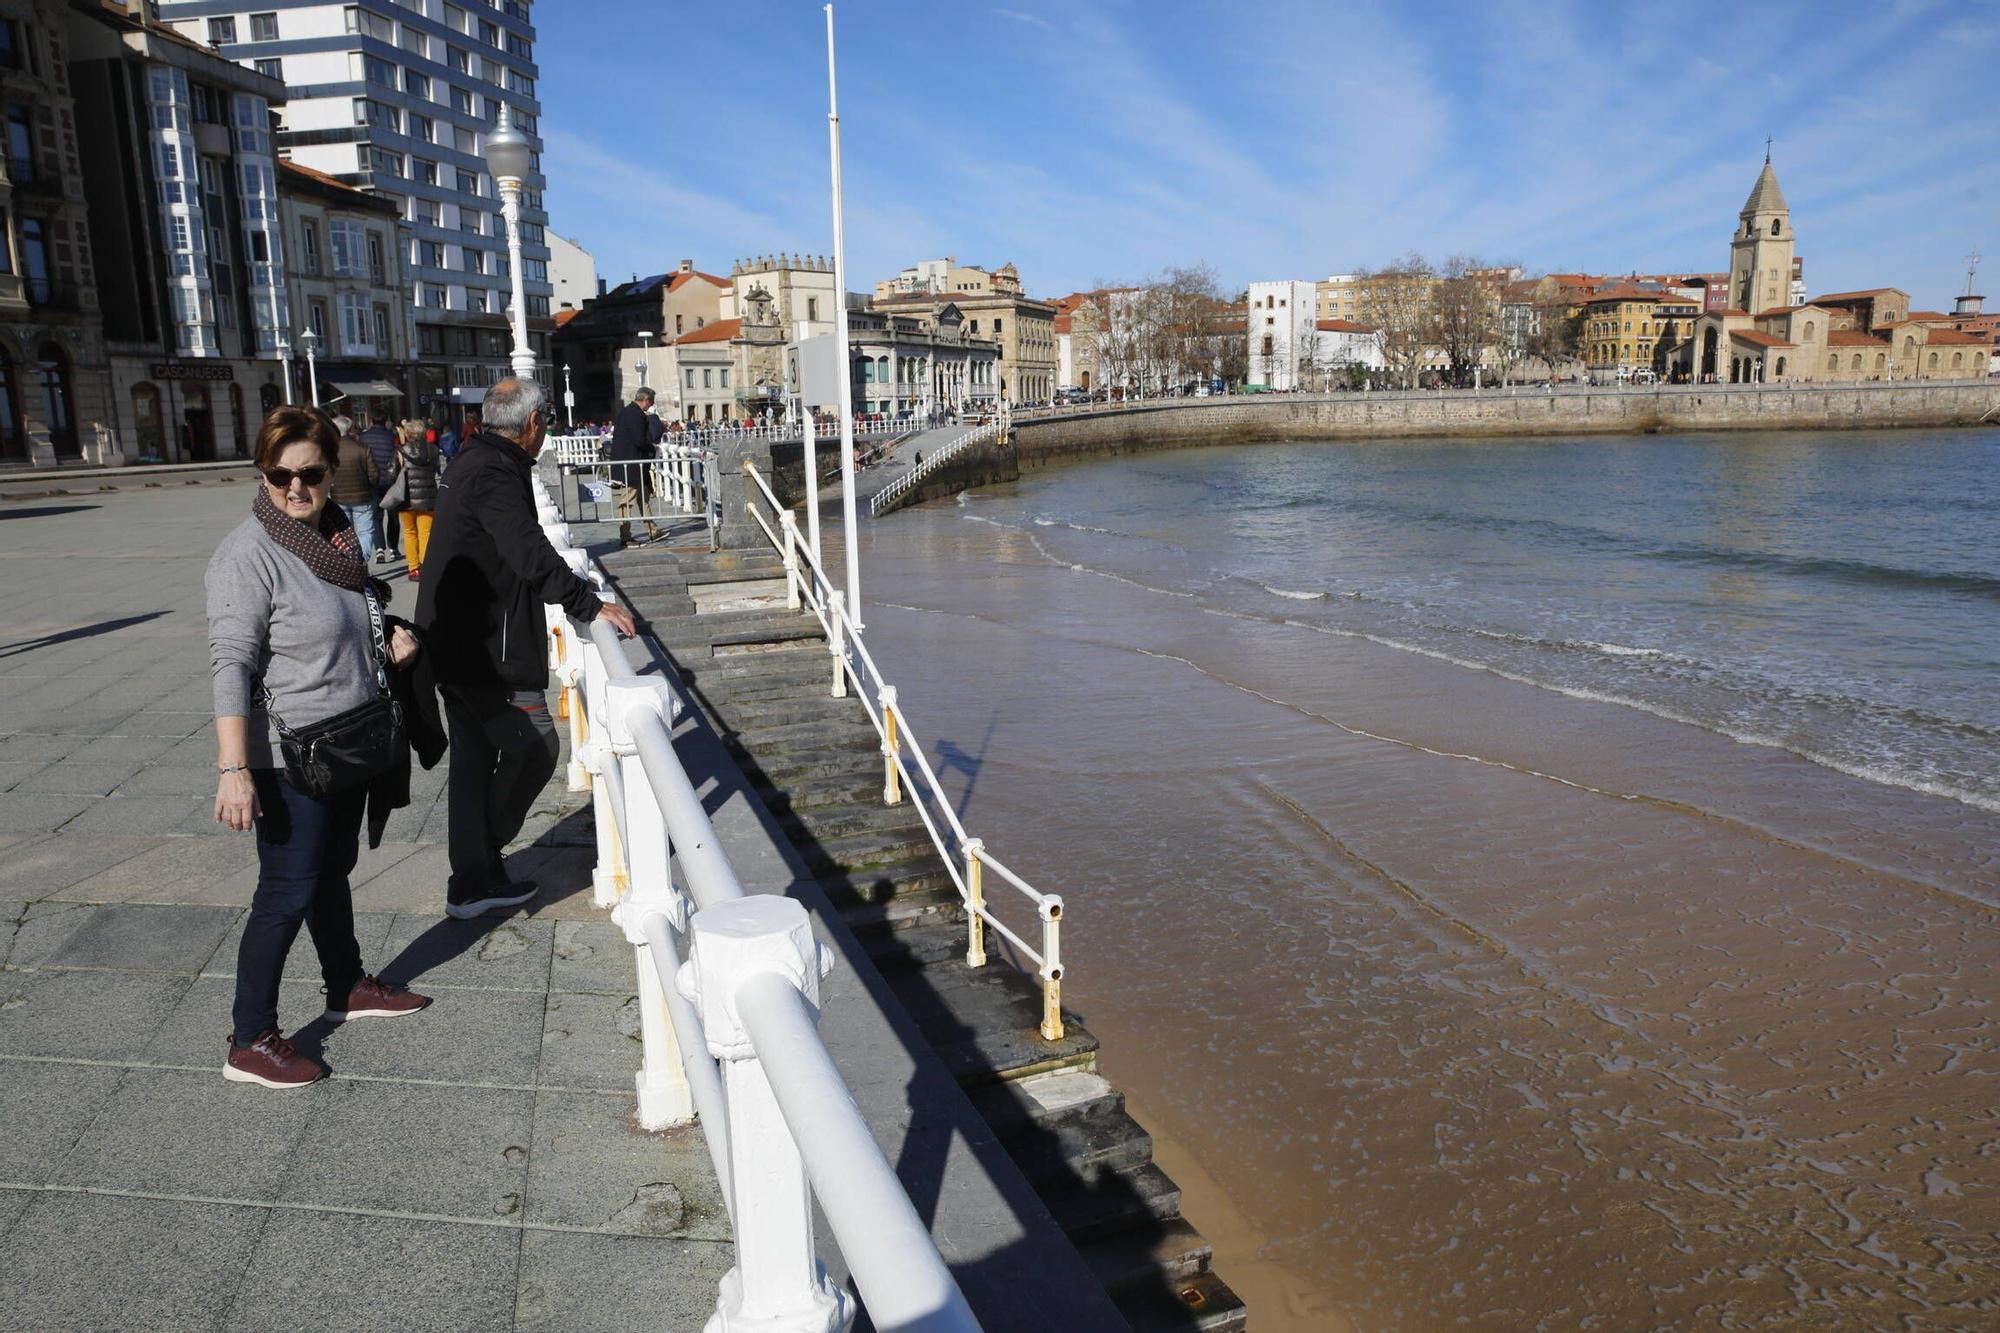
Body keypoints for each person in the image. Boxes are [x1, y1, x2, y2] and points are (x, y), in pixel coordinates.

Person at [207, 406, 431, 1089]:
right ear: (263, 474)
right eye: (279, 475)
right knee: (286, 891)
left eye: (309, 473)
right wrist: (233, 769)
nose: (295, 487)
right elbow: (231, 663)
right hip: (289, 755)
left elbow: (338, 619)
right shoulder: (248, 555)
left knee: (331, 870)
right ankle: (250, 1038)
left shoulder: (336, 538)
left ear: (333, 472)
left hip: (346, 744)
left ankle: (346, 985)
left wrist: (386, 635)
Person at [417, 378, 637, 918]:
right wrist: (588, 605)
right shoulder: (494, 471)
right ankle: (478, 863)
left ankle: (473, 879)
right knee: (537, 747)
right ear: (534, 423)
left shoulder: (475, 458)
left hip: (455, 640)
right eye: (547, 425)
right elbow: (526, 549)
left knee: (473, 760)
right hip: (485, 649)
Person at [607, 386, 660, 545]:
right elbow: (639, 439)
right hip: (631, 465)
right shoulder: (634, 413)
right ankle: (625, 536)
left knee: (642, 498)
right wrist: (651, 448)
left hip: (631, 464)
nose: (651, 406)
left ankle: (653, 530)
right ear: (646, 400)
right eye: (651, 402)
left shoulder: (627, 411)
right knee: (627, 500)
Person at [326, 413, 380, 561]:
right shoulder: (362, 448)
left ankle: (348, 562)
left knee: (344, 533)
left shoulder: (330, 451)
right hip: (362, 496)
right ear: (350, 429)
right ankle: (361, 561)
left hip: (338, 496)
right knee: (365, 532)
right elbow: (374, 475)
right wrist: (369, 485)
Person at [394, 418, 440, 581]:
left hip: (406, 497)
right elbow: (436, 469)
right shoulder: (432, 450)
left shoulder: (400, 450)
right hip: (427, 497)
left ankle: (413, 568)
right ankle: (426, 565)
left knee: (409, 532)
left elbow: (391, 472)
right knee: (426, 532)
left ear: (407, 433)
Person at [360, 411, 401, 564]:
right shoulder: (392, 437)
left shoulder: (363, 438)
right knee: (392, 515)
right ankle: (393, 548)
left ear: (371, 421)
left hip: (373, 482)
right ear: (386, 422)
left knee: (376, 516)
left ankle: (379, 549)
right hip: (391, 481)